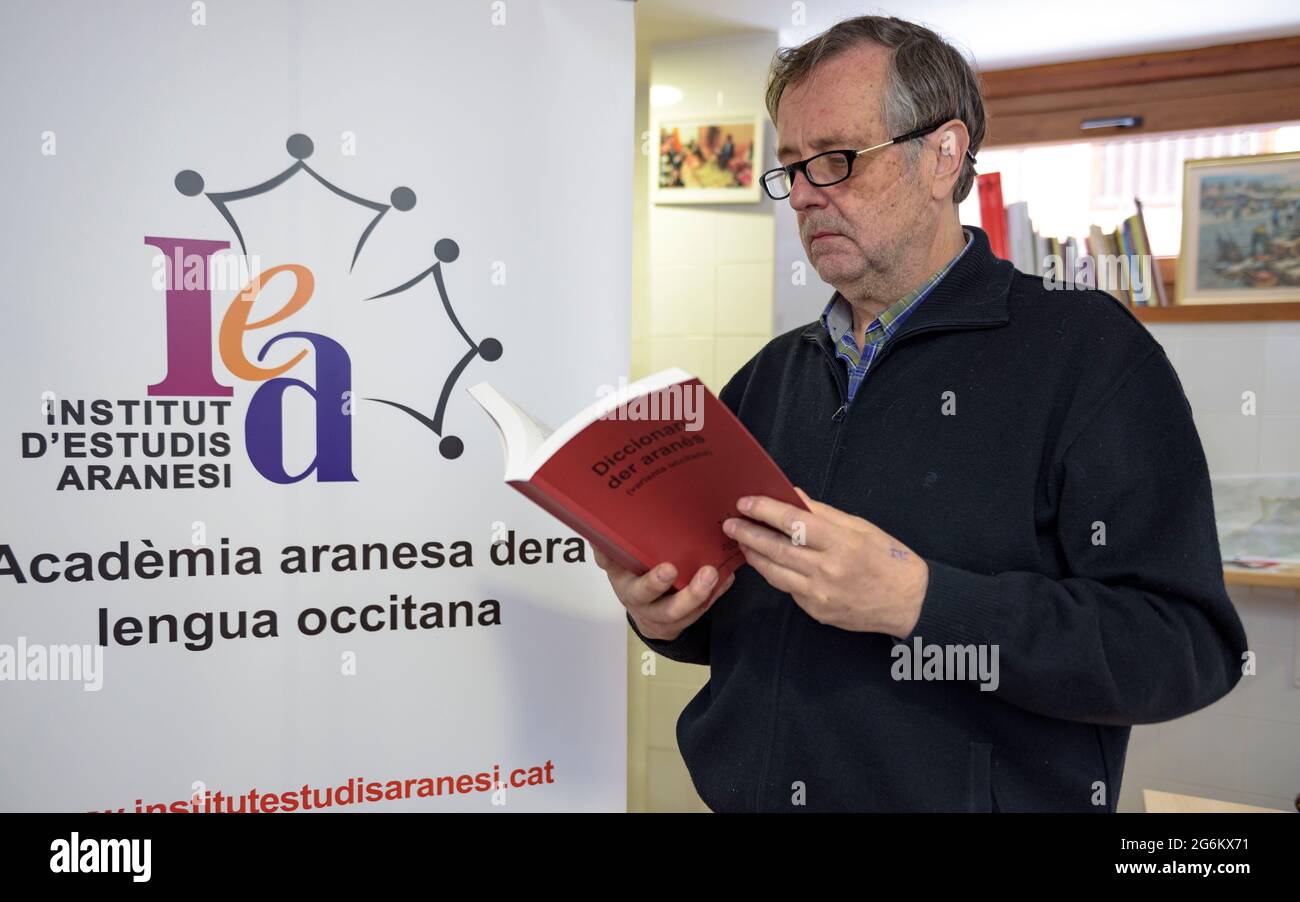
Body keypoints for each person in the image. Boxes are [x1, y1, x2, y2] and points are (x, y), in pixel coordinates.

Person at [597, 14, 1247, 812]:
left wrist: (919, 601)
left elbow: (1184, 650)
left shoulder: (1089, 354)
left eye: (834, 159)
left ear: (943, 156)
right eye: (791, 168)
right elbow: (733, 626)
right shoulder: (768, 378)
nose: (802, 196)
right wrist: (664, 614)